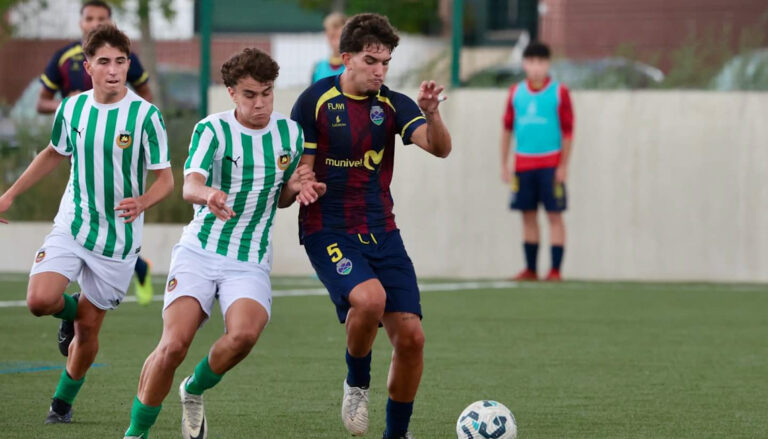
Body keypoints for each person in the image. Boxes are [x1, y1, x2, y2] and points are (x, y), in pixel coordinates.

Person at [122, 48, 325, 439]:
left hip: (248, 260)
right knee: (173, 346)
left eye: (267, 92)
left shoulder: (290, 134)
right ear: (231, 92)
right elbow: (190, 183)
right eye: (250, 94)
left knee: (245, 335)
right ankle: (136, 433)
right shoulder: (212, 129)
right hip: (200, 251)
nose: (260, 102)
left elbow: (282, 197)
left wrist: (297, 188)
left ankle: (193, 389)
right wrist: (208, 194)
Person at [0, 24, 174, 424]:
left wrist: (143, 201)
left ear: (128, 64)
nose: (113, 70)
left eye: (120, 62)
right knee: (39, 301)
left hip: (118, 242)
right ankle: (68, 313)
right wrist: (9, 195)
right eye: (104, 62)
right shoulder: (72, 107)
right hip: (72, 225)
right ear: (88, 66)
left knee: (89, 331)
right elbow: (52, 152)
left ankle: (61, 403)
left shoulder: (146, 116)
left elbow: (166, 178)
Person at [291, 13, 452, 439]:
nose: (380, 70)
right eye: (370, 61)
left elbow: (440, 149)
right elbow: (301, 167)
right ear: (346, 58)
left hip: (383, 230)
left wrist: (431, 114)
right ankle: (356, 383)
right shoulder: (315, 101)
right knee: (369, 298)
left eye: (386, 62)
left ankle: (396, 434)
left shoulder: (393, 104)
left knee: (413, 339)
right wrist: (304, 183)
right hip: (328, 228)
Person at [36, 0, 156, 309]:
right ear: (80, 23)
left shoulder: (126, 60)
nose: (94, 22)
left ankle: (138, 267)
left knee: (108, 207)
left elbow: (146, 94)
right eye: (89, 17)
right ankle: (133, 267)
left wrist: (138, 123)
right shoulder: (63, 58)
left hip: (117, 148)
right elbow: (42, 102)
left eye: (101, 18)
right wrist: (69, 102)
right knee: (85, 204)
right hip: (77, 145)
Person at [500, 42, 574, 282]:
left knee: (554, 216)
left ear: (548, 64)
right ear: (524, 64)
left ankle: (555, 270)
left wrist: (563, 165)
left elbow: (568, 132)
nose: (536, 67)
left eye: (541, 62)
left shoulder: (559, 92)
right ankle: (530, 269)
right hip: (523, 166)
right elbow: (507, 129)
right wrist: (504, 163)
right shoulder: (515, 92)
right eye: (531, 61)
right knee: (527, 216)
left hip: (551, 166)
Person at [310, 12, 346, 83]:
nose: (336, 42)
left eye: (338, 37)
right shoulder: (318, 68)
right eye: (332, 37)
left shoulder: (353, 67)